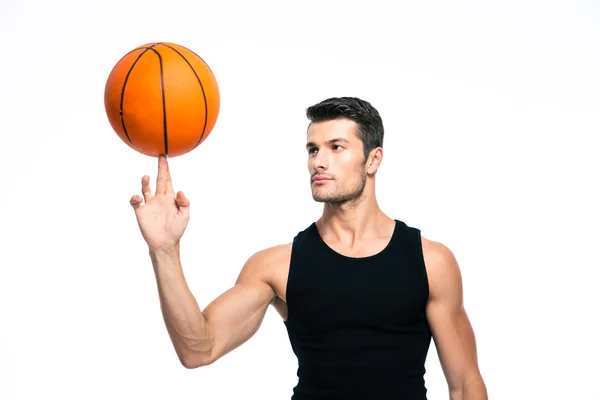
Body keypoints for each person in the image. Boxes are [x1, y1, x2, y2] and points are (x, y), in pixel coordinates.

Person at [129, 97, 488, 399]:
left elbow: (464, 383)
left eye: (336, 147)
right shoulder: (278, 265)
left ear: (374, 159)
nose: (318, 161)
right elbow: (198, 349)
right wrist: (165, 250)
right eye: (313, 149)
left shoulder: (430, 261)